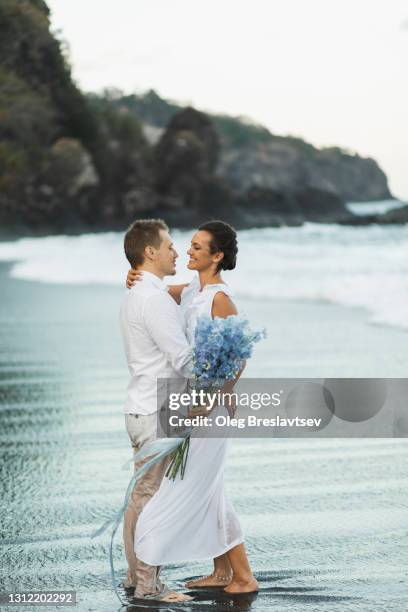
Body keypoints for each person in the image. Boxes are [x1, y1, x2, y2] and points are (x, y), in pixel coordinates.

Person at [126, 220, 259, 595]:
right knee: (210, 489)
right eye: (189, 245)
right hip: (190, 404)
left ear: (217, 256)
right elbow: (154, 290)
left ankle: (244, 577)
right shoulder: (189, 292)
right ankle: (225, 573)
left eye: (198, 247)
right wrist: (135, 273)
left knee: (191, 487)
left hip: (208, 410)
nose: (188, 251)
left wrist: (220, 393)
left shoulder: (220, 298)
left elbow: (240, 355)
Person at [120, 218, 193, 603]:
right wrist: (222, 373)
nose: (176, 251)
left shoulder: (140, 293)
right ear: (150, 252)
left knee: (141, 496)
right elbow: (183, 361)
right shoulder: (153, 298)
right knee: (155, 501)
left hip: (139, 408)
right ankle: (148, 585)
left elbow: (189, 290)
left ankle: (136, 577)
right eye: (169, 246)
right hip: (157, 413)